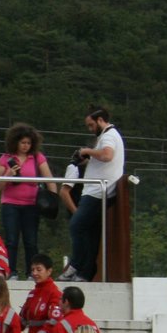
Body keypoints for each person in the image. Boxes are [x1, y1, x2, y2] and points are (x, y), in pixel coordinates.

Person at [64, 105, 124, 283]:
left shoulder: (109, 136)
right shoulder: (108, 136)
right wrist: (87, 162)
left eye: (91, 125)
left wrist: (86, 151)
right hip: (96, 190)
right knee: (90, 233)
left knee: (76, 225)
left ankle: (75, 264)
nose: (90, 129)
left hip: (97, 192)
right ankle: (85, 272)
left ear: (100, 120)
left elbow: (107, 155)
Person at [0, 123, 53, 277]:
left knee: (31, 241)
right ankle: (11, 271)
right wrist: (8, 174)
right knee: (11, 240)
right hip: (10, 204)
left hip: (31, 204)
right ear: (15, 142)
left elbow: (49, 178)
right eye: (23, 143)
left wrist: (53, 198)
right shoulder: (6, 158)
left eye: (28, 143)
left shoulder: (37, 158)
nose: (25, 146)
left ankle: (31, 272)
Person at [21, 254, 65, 333]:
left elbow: (54, 321)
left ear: (49, 271)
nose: (34, 273)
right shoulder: (32, 294)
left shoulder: (55, 293)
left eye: (38, 269)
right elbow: (23, 319)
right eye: (32, 270)